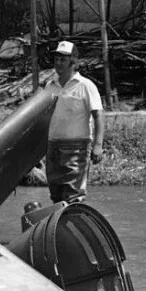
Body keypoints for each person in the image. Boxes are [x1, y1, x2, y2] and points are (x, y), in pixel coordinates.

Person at [43, 40, 104, 203]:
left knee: (73, 195)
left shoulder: (85, 85)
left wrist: (98, 145)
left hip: (77, 147)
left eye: (63, 60)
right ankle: (59, 220)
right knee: (56, 195)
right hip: (53, 146)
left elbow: (98, 115)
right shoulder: (50, 86)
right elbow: (43, 118)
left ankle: (73, 217)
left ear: (73, 62)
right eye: (56, 59)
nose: (58, 63)